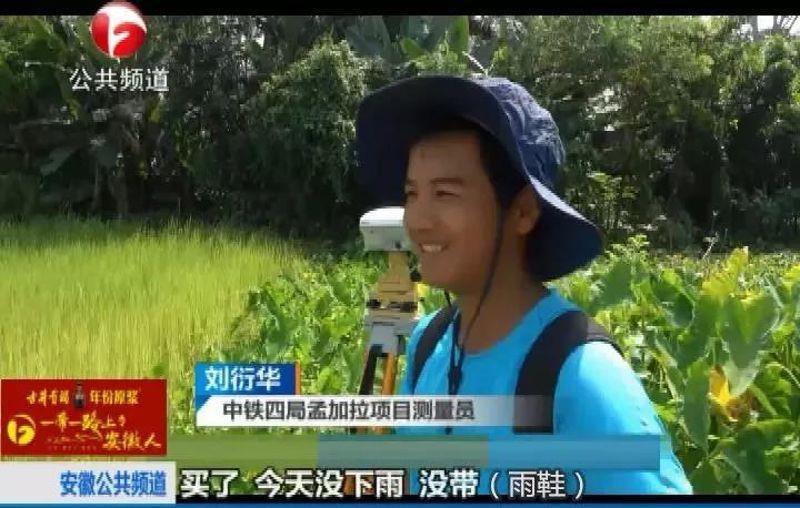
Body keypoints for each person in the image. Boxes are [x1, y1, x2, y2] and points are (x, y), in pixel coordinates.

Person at [356, 75, 692, 495]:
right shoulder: (428, 344)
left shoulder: (582, 377)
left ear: (522, 212)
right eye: (412, 194)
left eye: (444, 194)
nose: (418, 220)